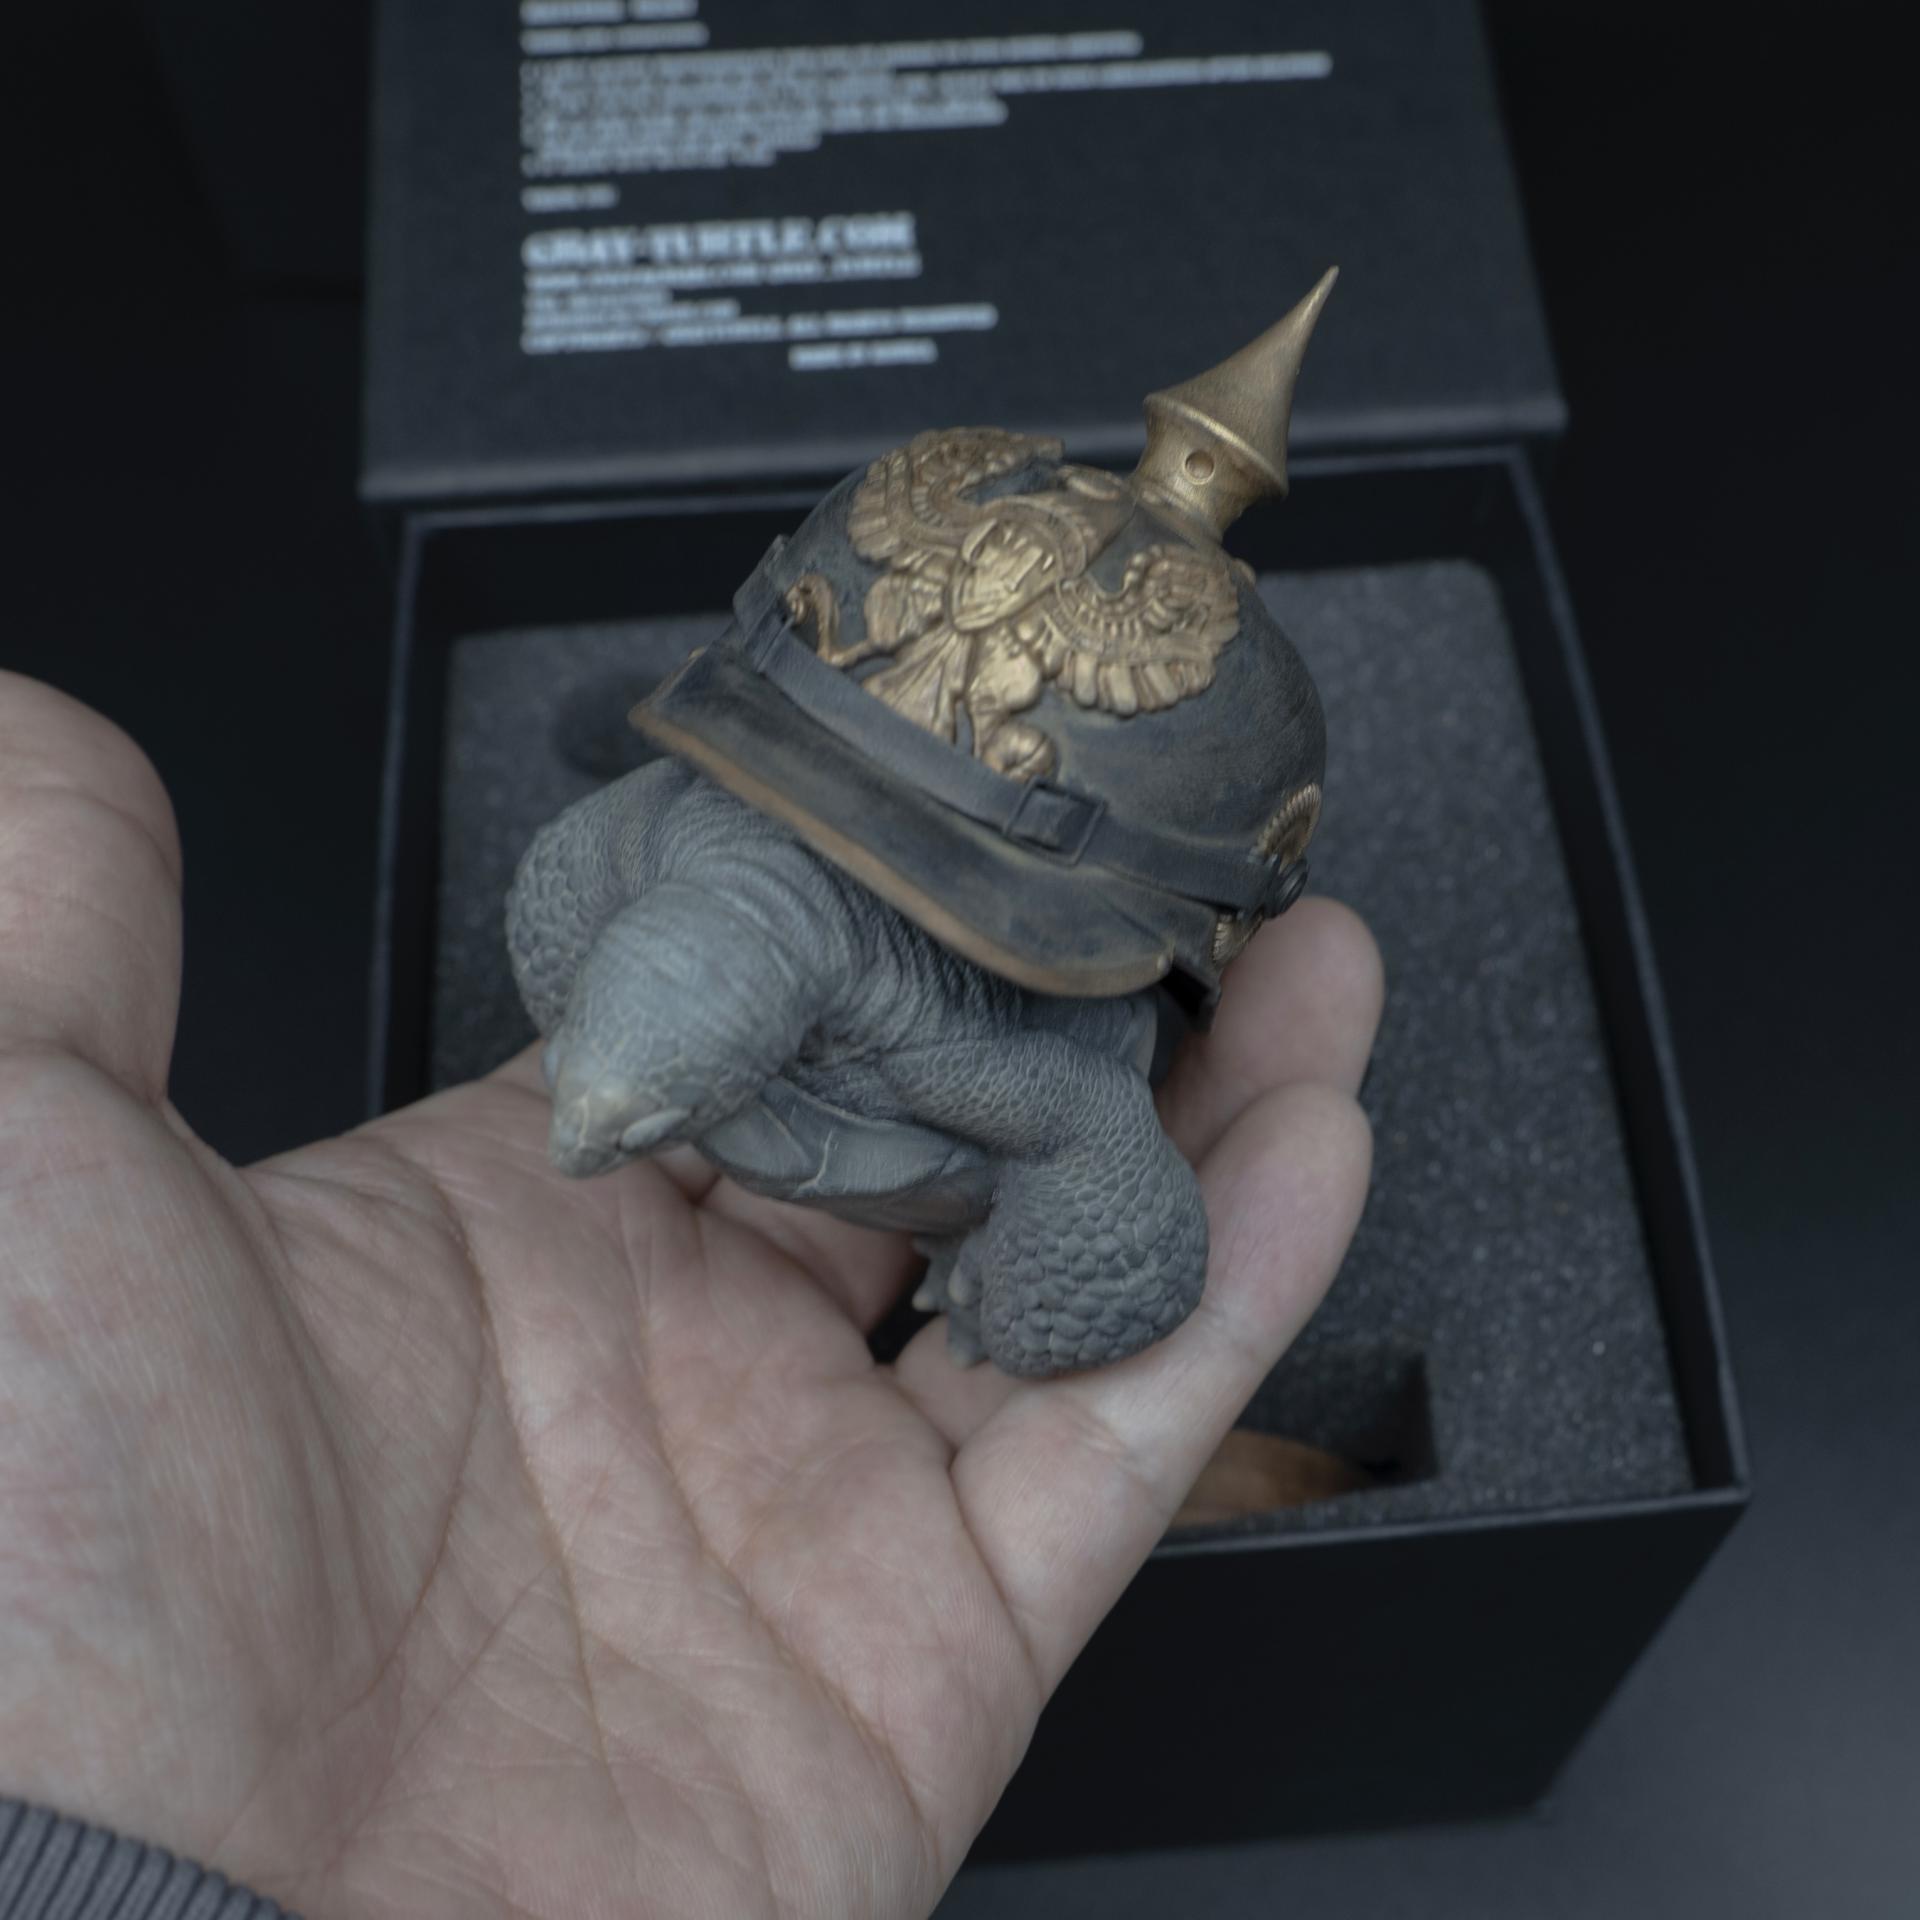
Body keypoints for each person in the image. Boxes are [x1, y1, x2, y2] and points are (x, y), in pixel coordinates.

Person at [0, 671, 1380, 1919]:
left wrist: (1031, 1286)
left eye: (631, 1117)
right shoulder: (655, 838)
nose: (576, 1151)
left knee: (1108, 1214)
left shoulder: (960, 1045)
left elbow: (1101, 1138)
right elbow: (584, 899)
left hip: (1029, 938)